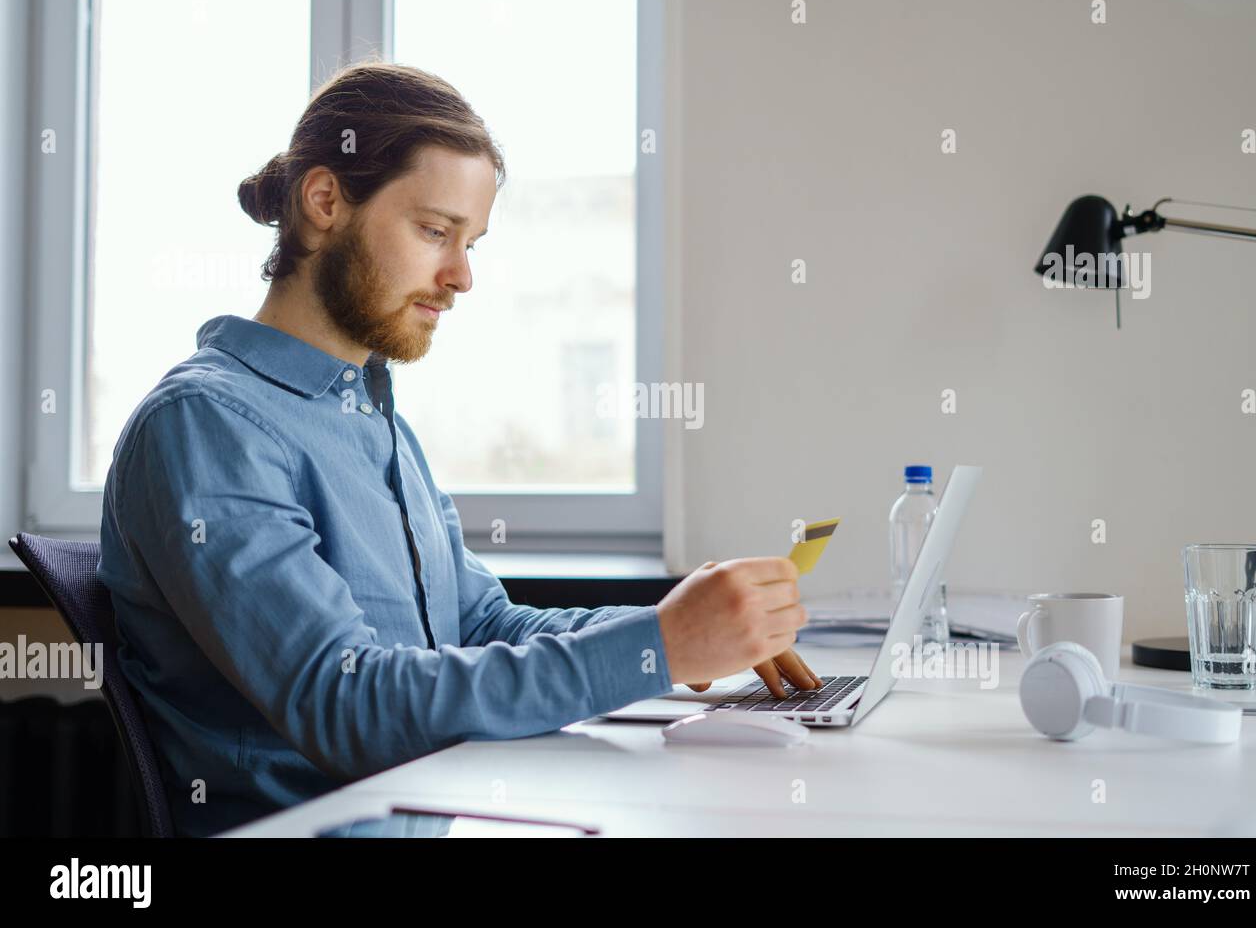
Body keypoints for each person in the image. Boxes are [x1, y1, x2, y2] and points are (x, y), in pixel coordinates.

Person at [97, 61, 818, 837]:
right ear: (324, 202)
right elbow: (347, 703)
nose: (462, 276)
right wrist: (657, 647)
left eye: (470, 241)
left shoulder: (374, 418)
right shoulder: (205, 427)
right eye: (435, 231)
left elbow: (481, 627)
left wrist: (680, 627)